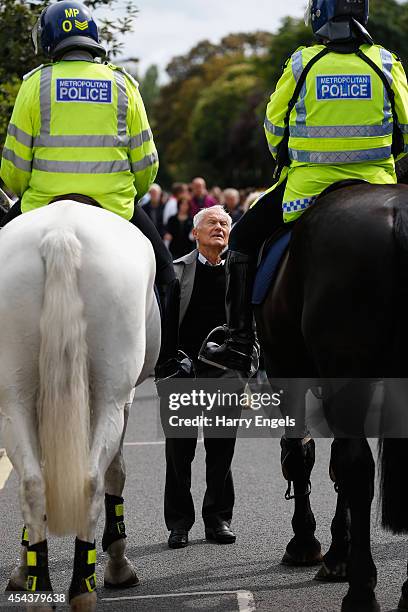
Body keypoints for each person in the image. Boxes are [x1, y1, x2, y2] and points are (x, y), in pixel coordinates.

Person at [201, 0, 408, 374]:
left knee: (244, 239)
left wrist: (290, 155)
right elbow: (406, 130)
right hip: (378, 180)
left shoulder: (303, 63)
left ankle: (239, 343)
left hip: (307, 187)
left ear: (319, 15)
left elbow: (274, 127)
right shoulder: (387, 62)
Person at [0, 0, 190, 384]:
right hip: (114, 206)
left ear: (50, 41)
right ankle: (171, 359)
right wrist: (127, 195)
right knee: (168, 275)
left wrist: (30, 192)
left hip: (40, 203)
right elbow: (147, 163)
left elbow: (14, 166)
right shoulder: (124, 84)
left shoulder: (34, 84)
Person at [162, 206, 242, 549]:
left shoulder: (241, 272)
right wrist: (166, 367)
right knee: (179, 453)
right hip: (183, 373)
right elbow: (164, 326)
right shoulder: (177, 271)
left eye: (225, 223)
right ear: (195, 233)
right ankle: (179, 524)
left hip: (224, 377)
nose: (219, 228)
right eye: (211, 223)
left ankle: (218, 519)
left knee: (221, 449)